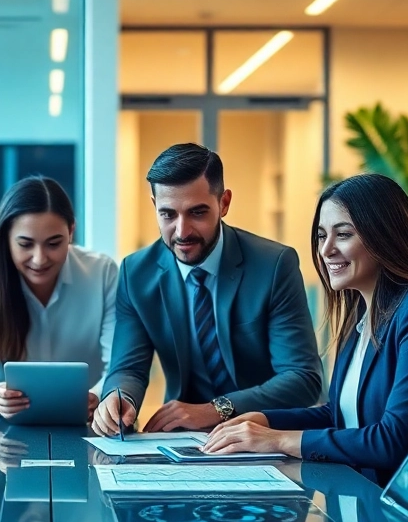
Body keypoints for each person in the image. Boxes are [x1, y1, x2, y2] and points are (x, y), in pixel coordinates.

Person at [202, 173, 408, 486]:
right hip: (370, 498)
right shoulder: (362, 314)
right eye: (321, 236)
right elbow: (340, 416)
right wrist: (266, 420)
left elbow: (394, 440)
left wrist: (278, 440)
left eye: (343, 234)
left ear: (384, 237)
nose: (326, 250)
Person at [91, 143, 322, 436]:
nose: (182, 231)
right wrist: (119, 397)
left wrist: (215, 409)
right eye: (168, 215)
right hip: (180, 439)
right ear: (154, 206)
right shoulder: (135, 273)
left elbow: (303, 378)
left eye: (197, 213)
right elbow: (128, 369)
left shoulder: (273, 266)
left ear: (224, 203)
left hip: (261, 434)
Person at [0, 176, 118, 419]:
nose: (40, 259)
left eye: (54, 244)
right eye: (25, 244)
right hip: (9, 425)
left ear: (71, 231)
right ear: (6, 237)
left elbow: (118, 366)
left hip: (92, 422)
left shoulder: (102, 273)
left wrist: (97, 396)